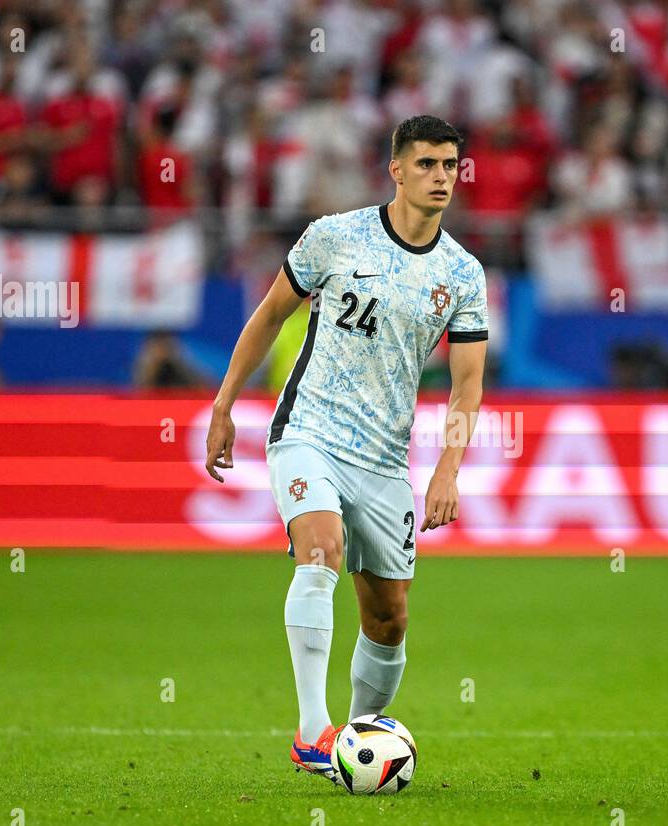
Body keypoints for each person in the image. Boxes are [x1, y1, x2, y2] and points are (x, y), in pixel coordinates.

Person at [203, 116, 489, 785]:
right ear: (395, 170)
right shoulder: (334, 236)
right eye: (426, 165)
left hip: (385, 463)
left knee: (389, 619)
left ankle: (353, 745)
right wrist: (223, 403)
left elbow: (468, 383)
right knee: (320, 549)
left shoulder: (462, 274)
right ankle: (311, 733)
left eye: (450, 165)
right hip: (310, 432)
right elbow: (271, 314)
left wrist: (448, 469)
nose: (441, 177)